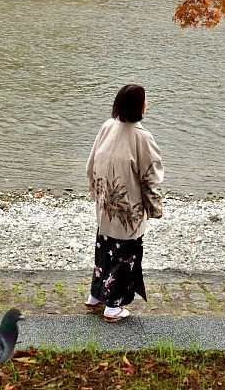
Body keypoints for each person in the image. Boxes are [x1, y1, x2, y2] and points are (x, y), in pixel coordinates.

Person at [85, 84, 164, 322]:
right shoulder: (142, 137)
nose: (147, 104)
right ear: (138, 106)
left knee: (104, 249)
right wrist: (154, 206)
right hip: (128, 209)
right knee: (125, 254)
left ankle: (95, 296)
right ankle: (113, 306)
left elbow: (90, 166)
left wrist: (98, 194)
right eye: (145, 101)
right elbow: (150, 176)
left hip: (106, 204)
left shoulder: (107, 127)